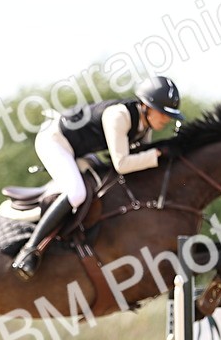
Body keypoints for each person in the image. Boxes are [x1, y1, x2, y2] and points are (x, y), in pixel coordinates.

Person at [11, 75, 186, 280]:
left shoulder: (143, 125)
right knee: (77, 193)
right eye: (163, 113)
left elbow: (140, 157)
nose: (166, 119)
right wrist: (158, 154)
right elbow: (121, 164)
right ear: (146, 106)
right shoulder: (119, 116)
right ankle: (30, 250)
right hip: (55, 141)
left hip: (79, 149)